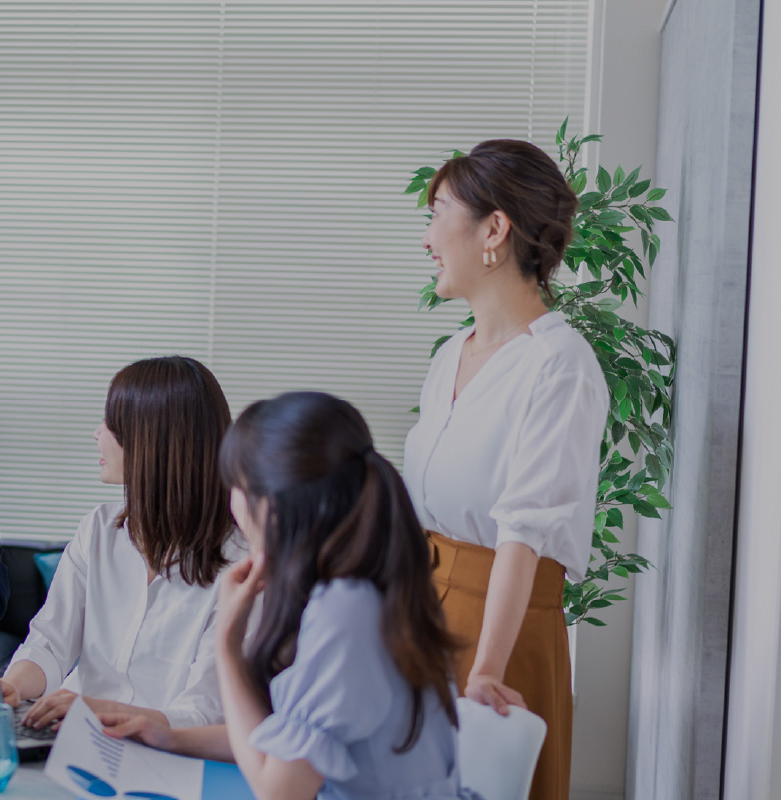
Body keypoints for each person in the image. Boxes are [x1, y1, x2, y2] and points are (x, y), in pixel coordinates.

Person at [101, 392, 463, 800]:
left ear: (271, 504)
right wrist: (171, 737)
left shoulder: (345, 613)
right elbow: (287, 743)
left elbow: (280, 791)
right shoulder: (363, 588)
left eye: (233, 485)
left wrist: (227, 645)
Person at [404, 139, 608, 800]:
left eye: (437, 215)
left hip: (504, 630)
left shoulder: (559, 363)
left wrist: (485, 670)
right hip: (424, 617)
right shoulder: (449, 357)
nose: (426, 237)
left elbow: (524, 529)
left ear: (494, 229)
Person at [0, 356, 246, 730]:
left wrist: (99, 711)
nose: (96, 434)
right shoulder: (97, 530)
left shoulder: (240, 564)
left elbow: (205, 712)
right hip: (70, 733)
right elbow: (50, 643)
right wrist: (11, 687)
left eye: (112, 424)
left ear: (151, 441)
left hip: (165, 753)